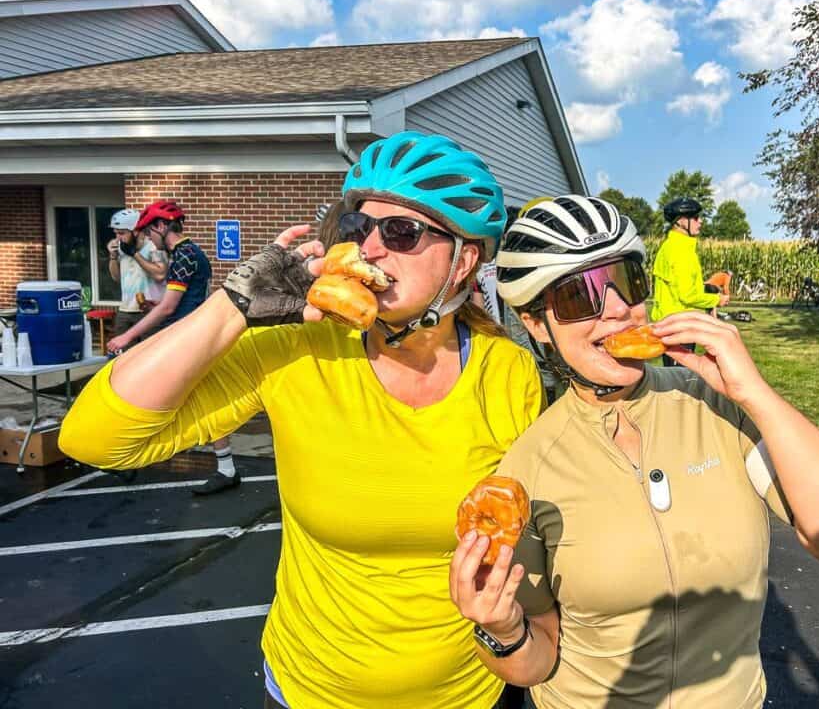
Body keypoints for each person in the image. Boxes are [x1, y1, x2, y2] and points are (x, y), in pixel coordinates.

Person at [59, 131, 543, 709]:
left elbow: (526, 539)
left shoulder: (508, 370)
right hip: (310, 692)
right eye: (359, 229)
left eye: (402, 232)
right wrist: (233, 306)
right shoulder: (298, 349)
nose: (372, 249)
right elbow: (92, 439)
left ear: (464, 261)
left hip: (468, 693)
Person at [450, 195, 819, 709]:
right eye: (580, 296)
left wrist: (756, 395)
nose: (618, 309)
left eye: (628, 282)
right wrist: (502, 629)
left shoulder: (716, 407)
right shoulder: (529, 467)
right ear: (535, 324)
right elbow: (539, 660)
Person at [105, 200, 237, 495]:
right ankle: (227, 469)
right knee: (205, 402)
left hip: (184, 339)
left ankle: (126, 458)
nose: (149, 239)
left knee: (146, 395)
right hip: (190, 336)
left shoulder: (185, 254)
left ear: (161, 226)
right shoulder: (188, 253)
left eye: (149, 232)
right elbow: (174, 302)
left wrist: (126, 338)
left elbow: (168, 307)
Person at [652, 197, 728, 364]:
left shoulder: (669, 246)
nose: (700, 222)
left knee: (675, 374)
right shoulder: (682, 252)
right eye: (695, 218)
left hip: (669, 321)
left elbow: (679, 285)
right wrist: (717, 299)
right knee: (681, 376)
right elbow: (687, 295)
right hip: (680, 324)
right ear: (681, 221)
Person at [106, 208, 167, 338]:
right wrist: (113, 256)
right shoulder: (122, 248)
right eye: (116, 233)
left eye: (122, 233)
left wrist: (135, 254)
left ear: (136, 231)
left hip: (148, 312)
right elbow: (116, 277)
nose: (118, 238)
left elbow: (161, 275)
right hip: (125, 310)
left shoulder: (153, 247)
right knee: (125, 355)